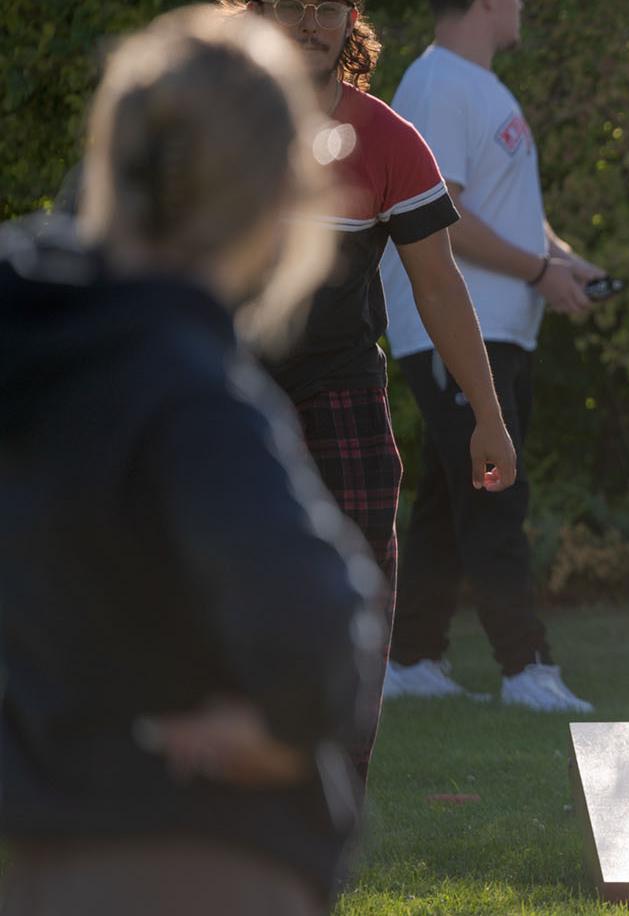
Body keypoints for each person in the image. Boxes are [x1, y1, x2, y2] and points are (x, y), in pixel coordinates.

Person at [0, 9, 380, 913]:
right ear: (270, 195)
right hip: (200, 860)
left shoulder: (35, 342)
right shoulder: (182, 383)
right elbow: (316, 623)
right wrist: (289, 725)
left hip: (37, 859)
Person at [234, 0, 519, 777]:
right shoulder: (207, 118)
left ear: (349, 18)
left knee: (355, 608)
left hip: (340, 394)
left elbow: (440, 285)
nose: (309, 23)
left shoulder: (389, 139)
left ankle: (332, 801)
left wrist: (486, 416)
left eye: (326, 7)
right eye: (290, 6)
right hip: (223, 393)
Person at [375, 0, 601, 714]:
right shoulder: (439, 83)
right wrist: (540, 273)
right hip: (457, 327)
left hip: (502, 327)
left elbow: (505, 209)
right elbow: (442, 216)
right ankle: (525, 667)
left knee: (453, 495)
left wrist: (564, 260)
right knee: (498, 492)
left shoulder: (479, 85)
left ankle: (410, 658)